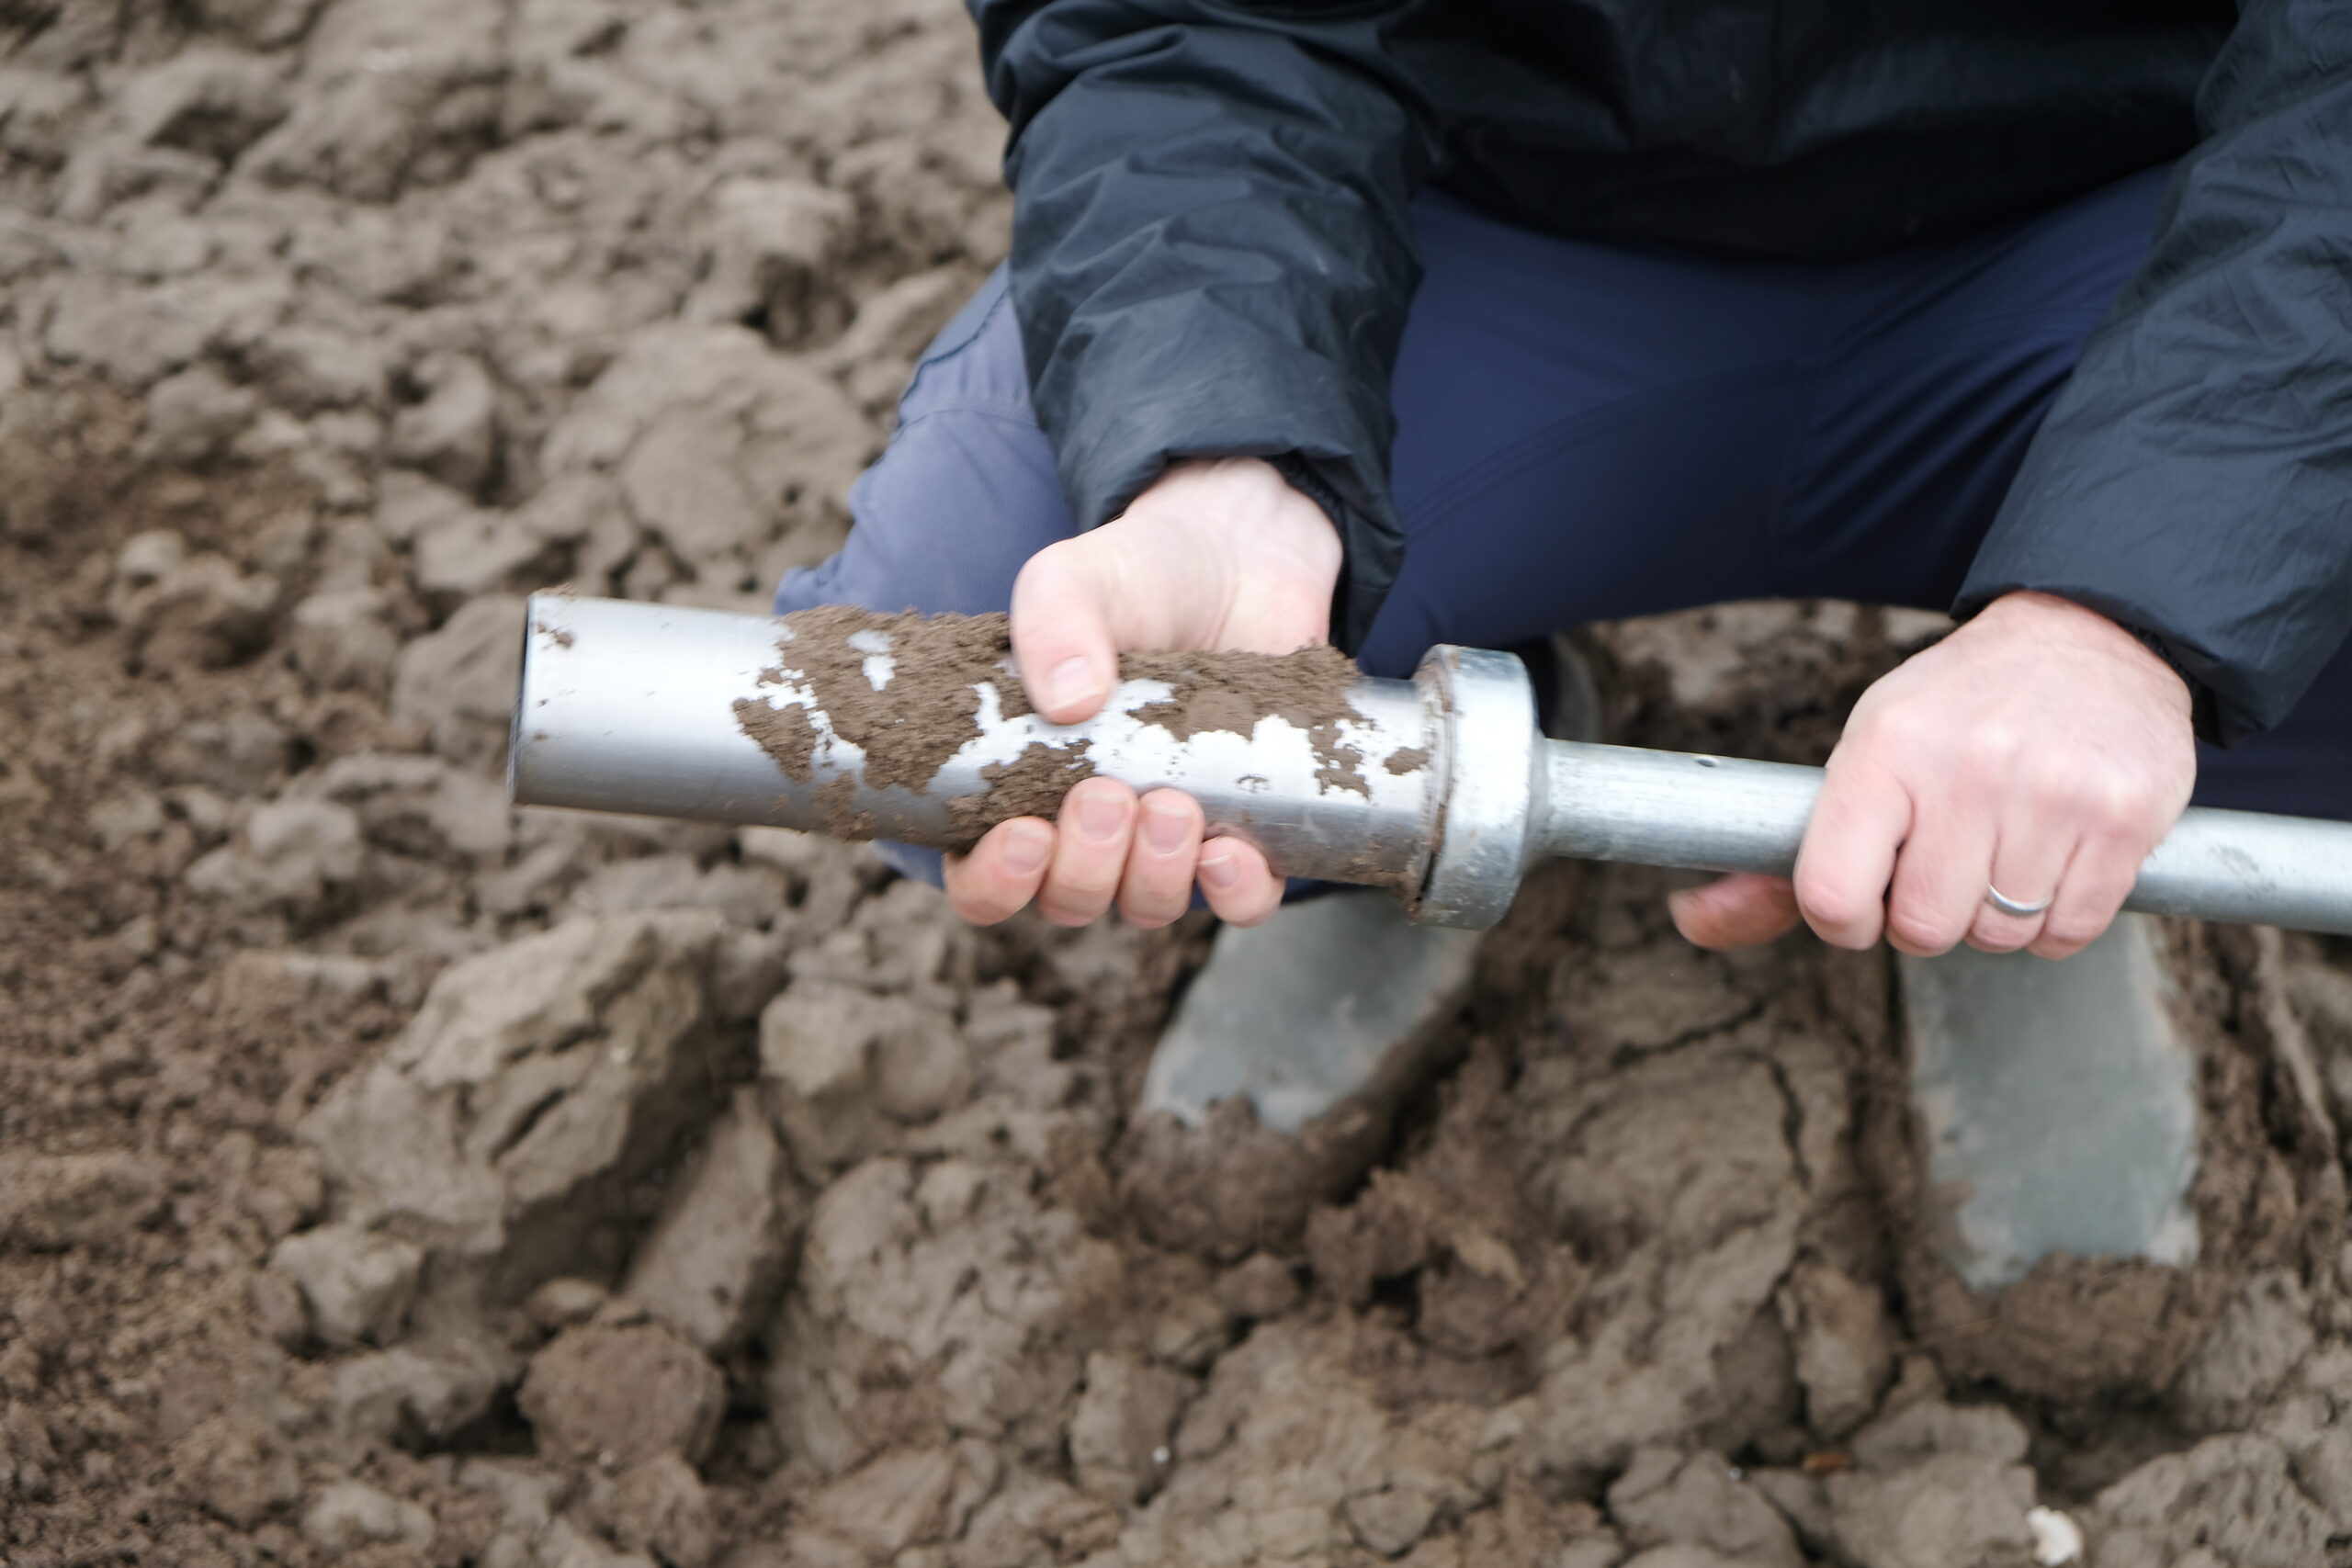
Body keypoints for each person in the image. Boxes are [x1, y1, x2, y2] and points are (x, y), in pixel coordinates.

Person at [775, 3, 2352, 1168]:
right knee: (967, 658)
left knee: (2267, 566)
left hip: (2139, 242)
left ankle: (2020, 860)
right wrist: (1222, 461)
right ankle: (1410, 775)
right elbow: (1191, 21)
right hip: (1484, 218)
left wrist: (2124, 614)